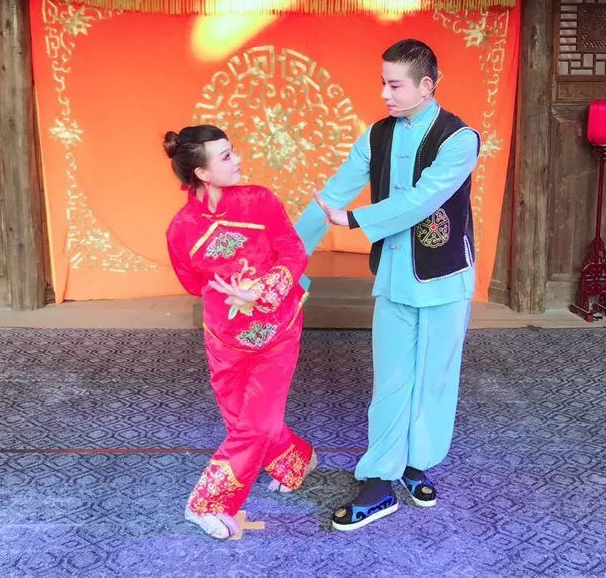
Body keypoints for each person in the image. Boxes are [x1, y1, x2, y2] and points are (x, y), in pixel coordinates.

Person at [295, 39, 480, 531]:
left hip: (444, 280)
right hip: (396, 277)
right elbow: (332, 194)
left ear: (426, 85)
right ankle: (379, 481)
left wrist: (355, 220)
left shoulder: (459, 139)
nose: (384, 94)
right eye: (383, 83)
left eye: (395, 85)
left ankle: (417, 462)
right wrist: (286, 259)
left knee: (434, 380)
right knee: (391, 381)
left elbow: (421, 201)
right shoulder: (376, 135)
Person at [164, 124, 316, 539]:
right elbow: (192, 283)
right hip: (225, 339)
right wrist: (232, 297)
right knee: (242, 422)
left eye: (234, 151)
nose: (239, 160)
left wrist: (260, 290)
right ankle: (297, 460)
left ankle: (206, 503)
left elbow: (293, 252)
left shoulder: (259, 201)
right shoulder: (181, 229)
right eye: (227, 156)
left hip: (277, 329)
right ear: (202, 173)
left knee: (255, 426)